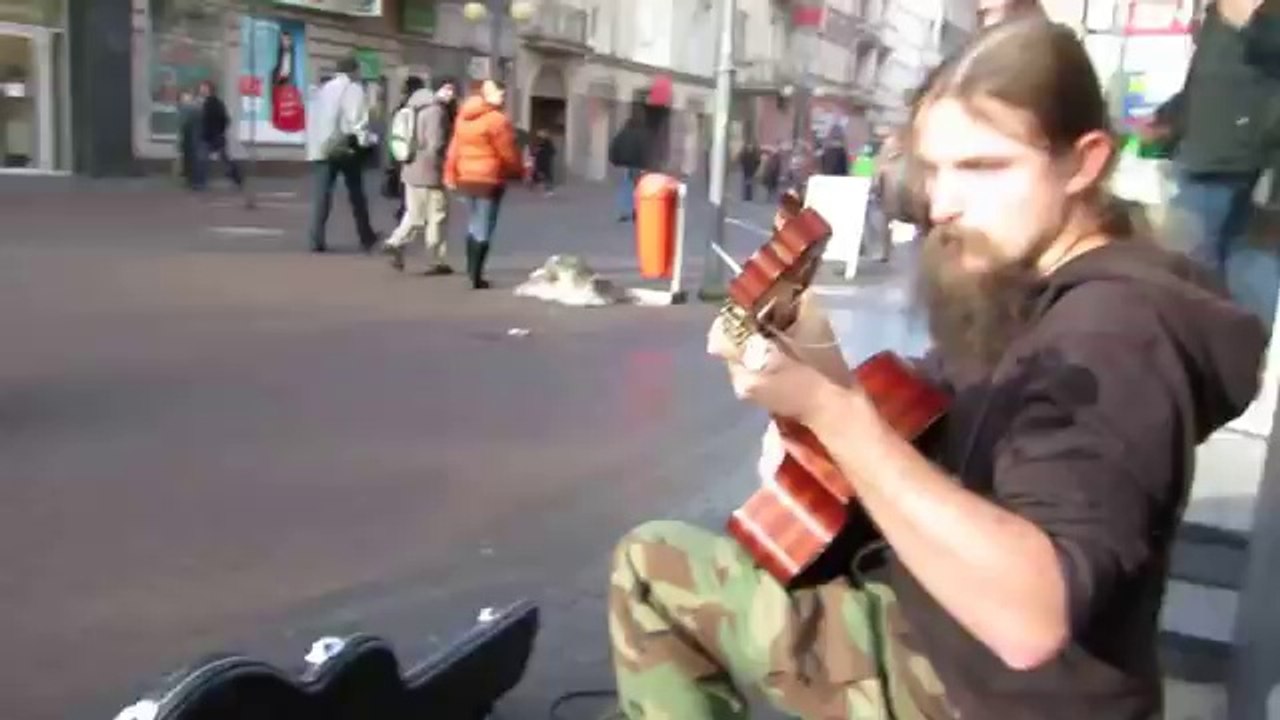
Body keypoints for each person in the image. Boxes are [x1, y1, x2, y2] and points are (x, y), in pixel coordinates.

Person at [607, 18, 1268, 720]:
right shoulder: (1036, 280)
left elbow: (1030, 621)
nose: (944, 204)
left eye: (983, 167)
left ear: (1083, 163)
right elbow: (927, 405)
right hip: (948, 635)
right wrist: (815, 361)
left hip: (983, 694)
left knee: (653, 569)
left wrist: (833, 413)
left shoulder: (1112, 336)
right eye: (935, 169)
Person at [1147, 0, 1280, 326]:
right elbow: (1204, 81)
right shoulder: (1218, 14)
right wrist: (1168, 118)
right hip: (1204, 156)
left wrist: (1252, 20)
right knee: (1202, 267)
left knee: (1198, 272)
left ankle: (1231, 344)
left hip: (1240, 160)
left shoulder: (1254, 12)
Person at [443, 78, 522, 289]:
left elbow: (454, 147)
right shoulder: (497, 120)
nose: (502, 97)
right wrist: (519, 170)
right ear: (487, 94)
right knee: (484, 227)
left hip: (466, 178)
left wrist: (450, 173)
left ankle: (471, 269)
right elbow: (507, 152)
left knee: (473, 223)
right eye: (499, 93)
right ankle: (476, 276)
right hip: (489, 180)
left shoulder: (463, 116)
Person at [382, 75, 458, 275]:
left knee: (414, 214)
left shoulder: (411, 106)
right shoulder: (436, 111)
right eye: (448, 89)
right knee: (437, 215)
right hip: (430, 171)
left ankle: (395, 241)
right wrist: (444, 169)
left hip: (410, 168)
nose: (451, 94)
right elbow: (436, 144)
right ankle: (436, 260)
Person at [305, 55, 378, 254]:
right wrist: (367, 141)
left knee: (322, 195)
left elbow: (313, 119)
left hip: (322, 148)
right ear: (353, 71)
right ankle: (366, 236)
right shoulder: (353, 89)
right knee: (356, 193)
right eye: (358, 70)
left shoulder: (324, 89)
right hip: (345, 147)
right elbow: (357, 120)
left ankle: (316, 239)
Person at [192, 80, 243, 192]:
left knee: (203, 159)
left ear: (209, 90)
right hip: (211, 136)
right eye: (201, 88)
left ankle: (200, 183)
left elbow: (224, 119)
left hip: (211, 136)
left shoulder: (214, 103)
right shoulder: (205, 102)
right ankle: (236, 177)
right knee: (217, 158)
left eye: (204, 88)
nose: (201, 90)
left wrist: (218, 130)